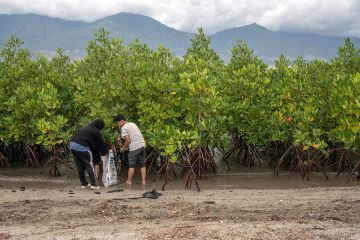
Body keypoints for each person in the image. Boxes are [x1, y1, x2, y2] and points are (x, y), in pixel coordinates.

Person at [69, 119, 108, 189]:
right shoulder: (96, 131)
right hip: (82, 147)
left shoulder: (85, 128)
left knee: (79, 165)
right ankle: (93, 184)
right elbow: (101, 143)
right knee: (89, 165)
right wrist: (106, 151)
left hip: (72, 145)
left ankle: (83, 184)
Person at [114, 114, 146, 185]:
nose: (118, 124)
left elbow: (128, 140)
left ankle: (129, 181)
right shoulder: (133, 124)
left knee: (131, 165)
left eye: (118, 123)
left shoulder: (124, 127)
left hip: (135, 147)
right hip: (142, 145)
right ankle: (143, 182)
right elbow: (133, 135)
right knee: (142, 164)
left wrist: (123, 148)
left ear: (121, 121)